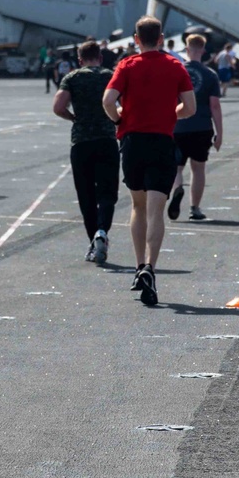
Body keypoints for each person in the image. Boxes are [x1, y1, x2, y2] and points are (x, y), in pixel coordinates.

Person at [102, 16, 196, 307]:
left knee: (138, 206)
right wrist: (171, 113)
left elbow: (108, 100)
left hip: (133, 141)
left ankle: (138, 265)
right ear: (162, 37)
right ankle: (151, 267)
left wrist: (120, 118)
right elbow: (190, 108)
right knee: (157, 209)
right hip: (162, 141)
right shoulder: (175, 66)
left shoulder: (127, 65)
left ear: (136, 39)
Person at [54, 39, 120, 263]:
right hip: (107, 139)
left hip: (81, 141)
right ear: (100, 58)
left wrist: (74, 118)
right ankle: (103, 231)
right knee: (107, 192)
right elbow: (123, 102)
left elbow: (58, 106)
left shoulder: (72, 77)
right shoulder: (109, 75)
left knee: (86, 195)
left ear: (79, 60)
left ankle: (93, 240)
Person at [168, 33, 223, 222]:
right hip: (202, 126)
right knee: (198, 169)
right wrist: (219, 134)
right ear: (203, 50)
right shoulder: (210, 75)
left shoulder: (176, 71)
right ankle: (195, 208)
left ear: (187, 48)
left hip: (178, 126)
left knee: (176, 167)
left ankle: (177, 189)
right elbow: (214, 106)